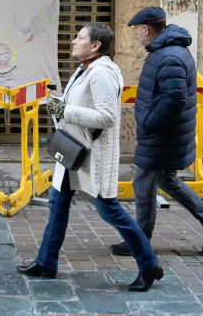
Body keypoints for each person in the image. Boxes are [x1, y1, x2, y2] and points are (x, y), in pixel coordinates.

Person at [18, 23, 164, 292]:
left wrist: (64, 109)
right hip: (74, 152)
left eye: (80, 38)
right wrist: (58, 105)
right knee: (57, 204)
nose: (73, 41)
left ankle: (149, 264)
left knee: (111, 212)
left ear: (95, 45)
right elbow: (77, 105)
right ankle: (46, 262)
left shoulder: (101, 74)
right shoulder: (84, 68)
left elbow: (108, 117)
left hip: (94, 156)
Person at [110, 6, 203, 258]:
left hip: (163, 135)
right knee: (167, 179)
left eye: (136, 30)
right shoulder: (168, 51)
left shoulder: (168, 56)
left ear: (146, 29)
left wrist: (148, 124)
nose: (135, 35)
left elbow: (174, 100)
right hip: (167, 134)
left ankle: (140, 240)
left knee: (142, 184)